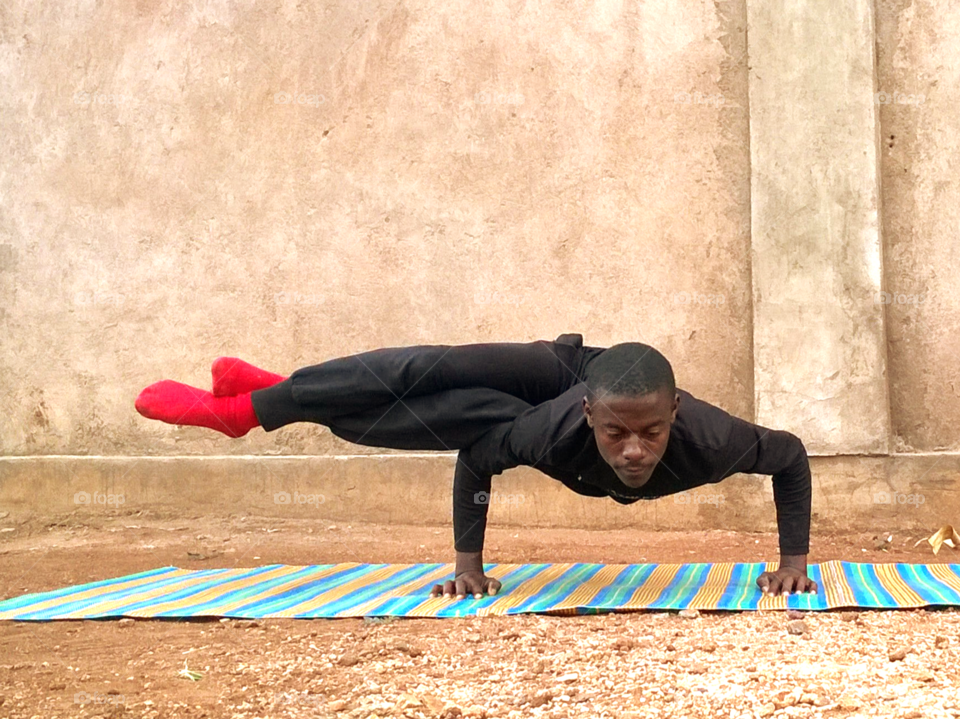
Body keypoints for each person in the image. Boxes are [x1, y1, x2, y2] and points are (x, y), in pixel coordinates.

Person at [134, 333, 817, 600]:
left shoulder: (714, 439)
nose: (634, 450)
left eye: (651, 433)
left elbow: (788, 456)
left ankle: (284, 393)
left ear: (675, 415)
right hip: (558, 373)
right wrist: (469, 562)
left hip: (598, 389)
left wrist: (793, 556)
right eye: (617, 434)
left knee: (425, 418)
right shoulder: (554, 427)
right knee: (421, 370)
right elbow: (476, 464)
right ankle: (254, 406)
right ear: (588, 419)